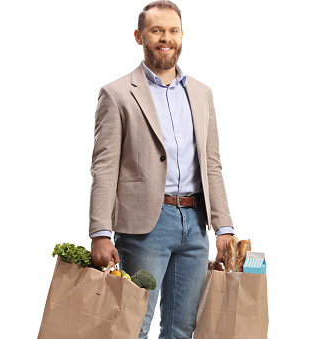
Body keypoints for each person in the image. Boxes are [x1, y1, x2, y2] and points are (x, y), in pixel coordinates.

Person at [88, 1, 234, 338]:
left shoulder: (202, 93)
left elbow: (212, 164)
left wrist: (223, 225)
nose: (165, 38)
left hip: (196, 224)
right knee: (132, 324)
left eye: (172, 31)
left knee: (182, 329)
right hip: (144, 228)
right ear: (140, 36)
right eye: (156, 31)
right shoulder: (117, 94)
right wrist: (99, 231)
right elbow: (104, 167)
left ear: (182, 36)